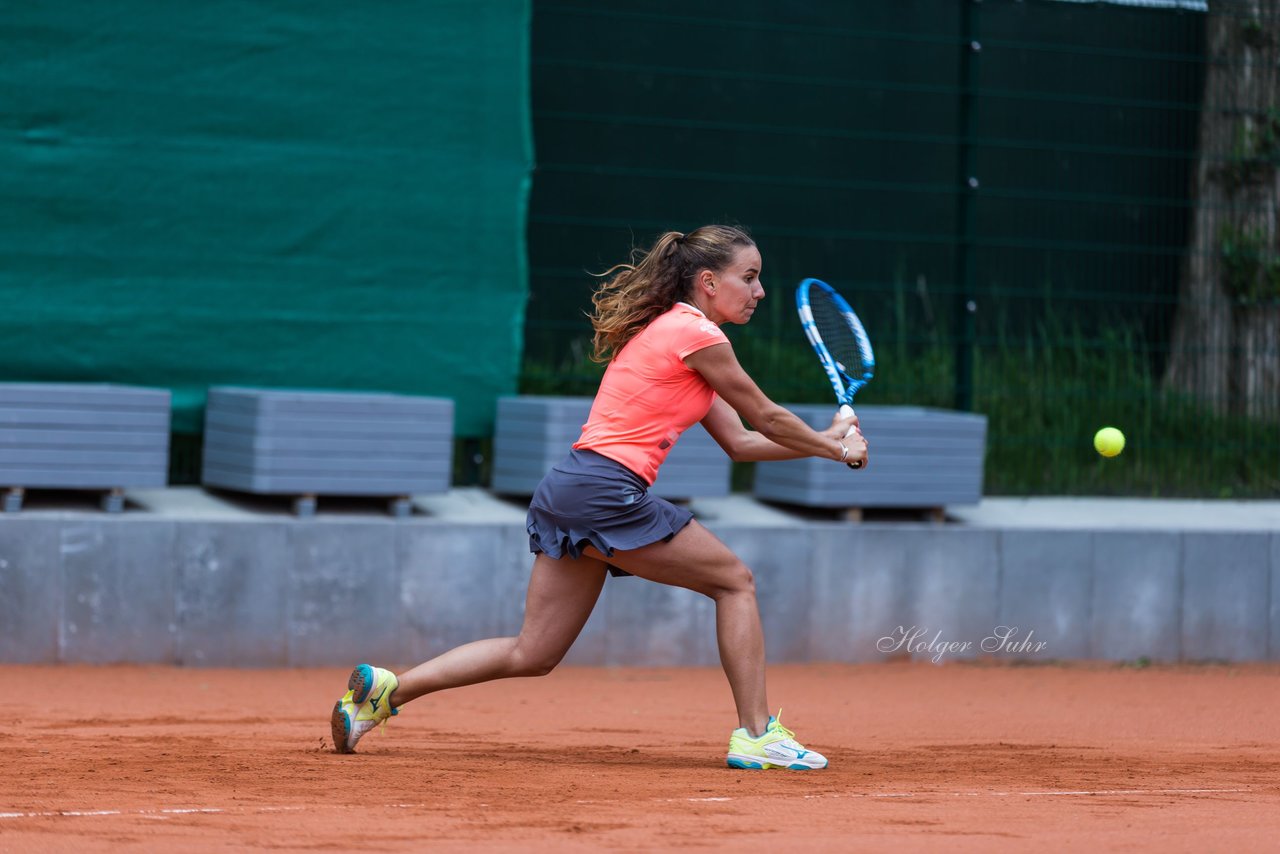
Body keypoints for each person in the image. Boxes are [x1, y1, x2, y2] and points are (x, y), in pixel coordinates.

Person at [331, 224, 868, 769]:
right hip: (605, 492)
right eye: (748, 278)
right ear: (708, 281)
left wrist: (826, 441)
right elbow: (769, 416)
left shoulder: (671, 336)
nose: (759, 291)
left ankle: (385, 694)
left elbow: (743, 442)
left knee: (533, 652)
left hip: (570, 487)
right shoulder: (697, 334)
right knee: (735, 583)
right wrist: (834, 451)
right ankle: (756, 733)